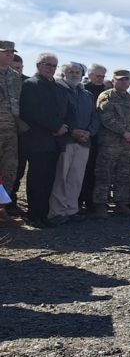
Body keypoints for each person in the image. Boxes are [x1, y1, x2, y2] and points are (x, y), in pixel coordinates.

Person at [19, 53, 69, 227]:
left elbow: (63, 110)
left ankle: (43, 214)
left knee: (49, 180)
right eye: (48, 65)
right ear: (39, 65)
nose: (51, 69)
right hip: (38, 140)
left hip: (55, 141)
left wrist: (62, 127)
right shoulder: (30, 85)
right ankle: (33, 216)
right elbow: (31, 112)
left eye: (54, 66)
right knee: (37, 180)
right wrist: (55, 127)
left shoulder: (57, 87)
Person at [48, 62, 100, 225]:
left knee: (76, 178)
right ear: (64, 73)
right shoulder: (58, 91)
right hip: (66, 141)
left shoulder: (87, 95)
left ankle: (71, 210)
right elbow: (58, 116)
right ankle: (57, 212)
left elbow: (95, 117)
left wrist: (89, 132)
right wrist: (73, 131)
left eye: (77, 72)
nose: (75, 74)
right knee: (61, 178)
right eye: (70, 71)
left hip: (84, 142)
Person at [93, 69, 130, 217]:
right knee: (104, 174)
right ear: (113, 81)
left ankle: (120, 203)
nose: (123, 82)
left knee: (124, 174)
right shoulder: (106, 96)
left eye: (126, 79)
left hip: (128, 144)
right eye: (120, 79)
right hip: (110, 143)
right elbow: (107, 118)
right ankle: (100, 205)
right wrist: (124, 132)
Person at [79, 63, 107, 213]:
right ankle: (78, 201)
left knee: (95, 171)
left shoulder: (106, 91)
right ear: (89, 76)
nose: (100, 79)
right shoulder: (83, 90)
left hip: (100, 137)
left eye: (103, 76)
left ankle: (91, 201)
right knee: (82, 170)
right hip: (84, 135)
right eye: (98, 76)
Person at [0, 40, 22, 222]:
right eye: (5, 52)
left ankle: (2, 210)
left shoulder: (15, 77)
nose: (9, 55)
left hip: (11, 131)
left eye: (11, 52)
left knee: (9, 171)